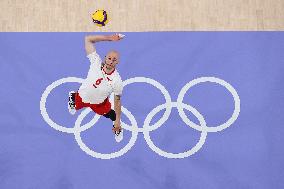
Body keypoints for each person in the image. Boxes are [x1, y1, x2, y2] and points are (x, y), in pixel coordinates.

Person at [68, 33, 125, 142]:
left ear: (117, 62)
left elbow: (117, 101)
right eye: (109, 58)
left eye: (114, 60)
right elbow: (88, 39)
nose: (111, 61)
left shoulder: (117, 80)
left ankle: (117, 126)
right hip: (82, 96)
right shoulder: (95, 61)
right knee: (74, 105)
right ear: (105, 58)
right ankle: (72, 96)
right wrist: (109, 38)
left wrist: (117, 120)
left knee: (110, 114)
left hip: (99, 104)